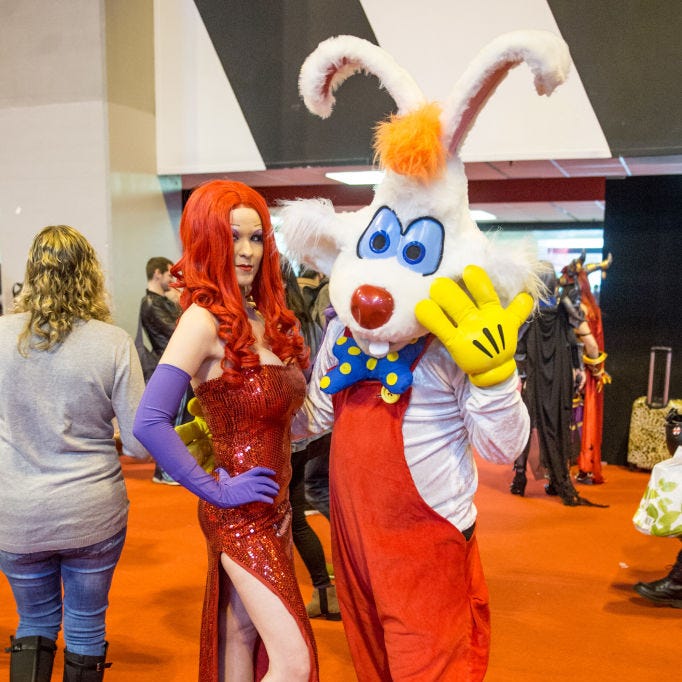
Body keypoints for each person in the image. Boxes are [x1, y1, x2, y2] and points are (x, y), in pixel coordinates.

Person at [133, 180, 318, 681]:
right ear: (207, 239)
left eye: (256, 238)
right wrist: (215, 487)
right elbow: (149, 421)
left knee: (240, 634)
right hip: (237, 516)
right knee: (294, 662)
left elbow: (288, 419)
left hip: (275, 505)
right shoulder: (200, 320)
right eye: (233, 236)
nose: (246, 250)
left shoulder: (264, 317)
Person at [0, 225, 148, 681]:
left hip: (16, 512)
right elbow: (141, 443)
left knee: (34, 622)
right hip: (90, 510)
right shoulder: (114, 341)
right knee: (85, 626)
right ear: (91, 275)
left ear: (31, 273)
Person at [510, 263, 602, 506]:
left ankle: (520, 478)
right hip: (559, 374)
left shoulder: (528, 307)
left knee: (527, 426)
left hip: (533, 375)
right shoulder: (564, 304)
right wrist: (583, 368)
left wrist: (519, 375)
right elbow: (581, 341)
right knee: (557, 425)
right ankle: (554, 478)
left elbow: (516, 343)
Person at [281, 258, 340, 621]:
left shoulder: (282, 320)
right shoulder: (310, 313)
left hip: (291, 429)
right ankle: (326, 590)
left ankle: (323, 590)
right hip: (314, 423)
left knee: (290, 515)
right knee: (297, 512)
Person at [139, 256, 184, 485]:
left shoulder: (159, 301)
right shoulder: (150, 303)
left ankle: (168, 470)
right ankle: (164, 471)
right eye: (169, 274)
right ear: (157, 273)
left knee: (177, 418)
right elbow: (175, 330)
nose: (172, 279)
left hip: (172, 364)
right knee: (170, 420)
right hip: (166, 366)